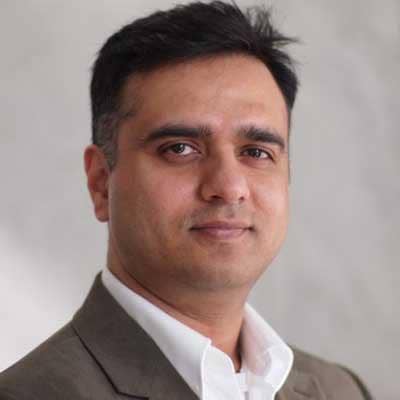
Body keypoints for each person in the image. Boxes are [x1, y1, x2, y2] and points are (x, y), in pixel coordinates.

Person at [0, 1, 372, 399]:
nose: (229, 186)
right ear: (101, 182)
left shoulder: (342, 390)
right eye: (179, 148)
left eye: (256, 152)